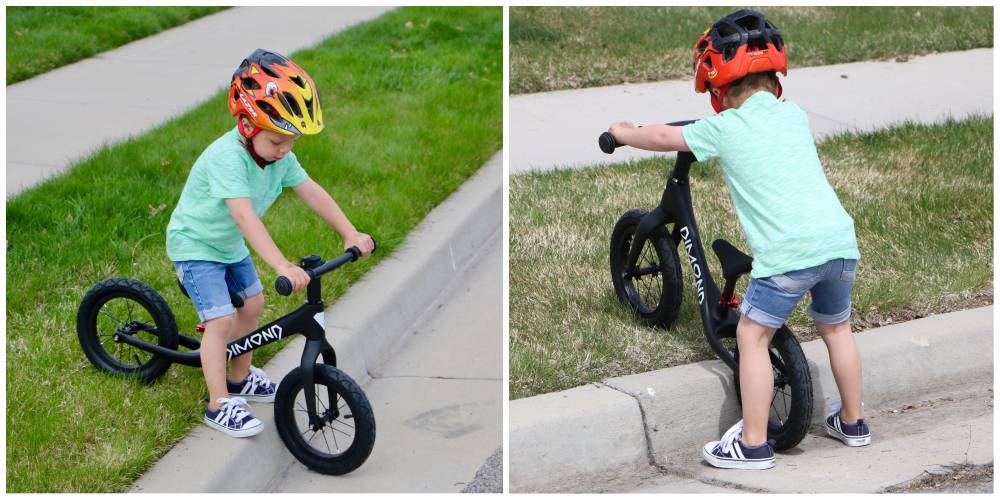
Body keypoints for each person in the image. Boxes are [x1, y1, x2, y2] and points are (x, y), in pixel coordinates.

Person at [606, 10, 868, 469]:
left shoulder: (724, 128)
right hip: (840, 244)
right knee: (836, 329)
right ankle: (853, 422)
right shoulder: (794, 117)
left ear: (718, 86)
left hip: (789, 256)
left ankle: (751, 444)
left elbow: (667, 136)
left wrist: (624, 134)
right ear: (775, 79)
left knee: (752, 335)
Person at [166, 49, 375, 437]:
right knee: (220, 320)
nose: (284, 150)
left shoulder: (279, 159)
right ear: (247, 125)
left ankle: (240, 377)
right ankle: (218, 403)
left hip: (227, 247)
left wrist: (350, 232)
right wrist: (281, 264)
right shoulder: (226, 158)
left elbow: (311, 191)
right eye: (277, 140)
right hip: (196, 246)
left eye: (291, 142)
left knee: (255, 304)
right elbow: (243, 216)